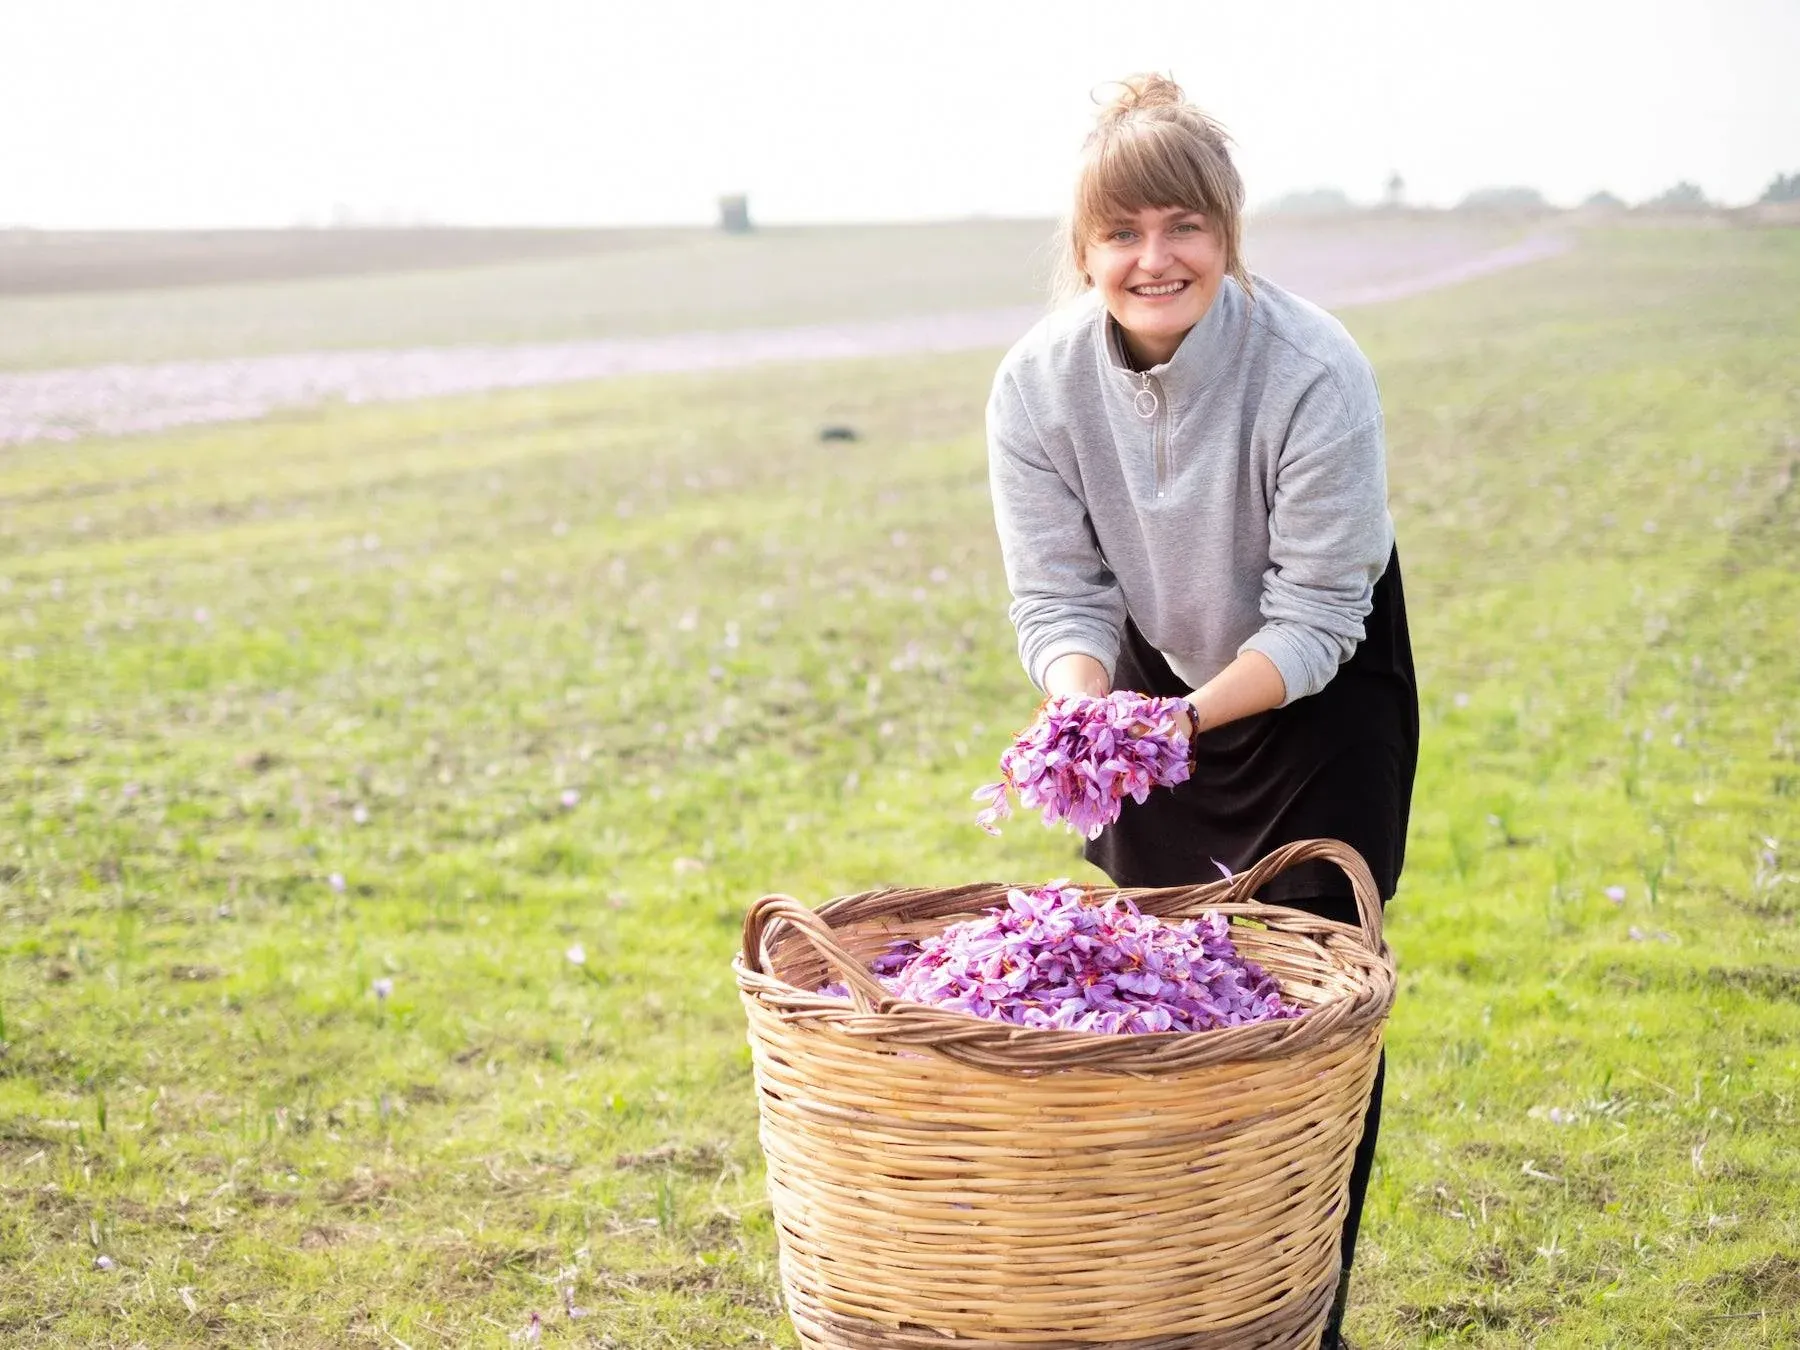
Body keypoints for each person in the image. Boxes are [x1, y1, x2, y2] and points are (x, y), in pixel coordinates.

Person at [984, 73, 1419, 1350]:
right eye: (1120, 233)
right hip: (1148, 682)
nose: (1152, 257)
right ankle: (1160, 1301)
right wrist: (1090, 714)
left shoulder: (1311, 369)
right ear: (1084, 253)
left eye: (1183, 226)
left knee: (1301, 997)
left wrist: (1180, 724)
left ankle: (1294, 1307)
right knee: (1151, 988)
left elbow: (1319, 616)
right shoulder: (1036, 385)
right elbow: (1058, 593)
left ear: (1228, 237)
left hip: (1315, 692)